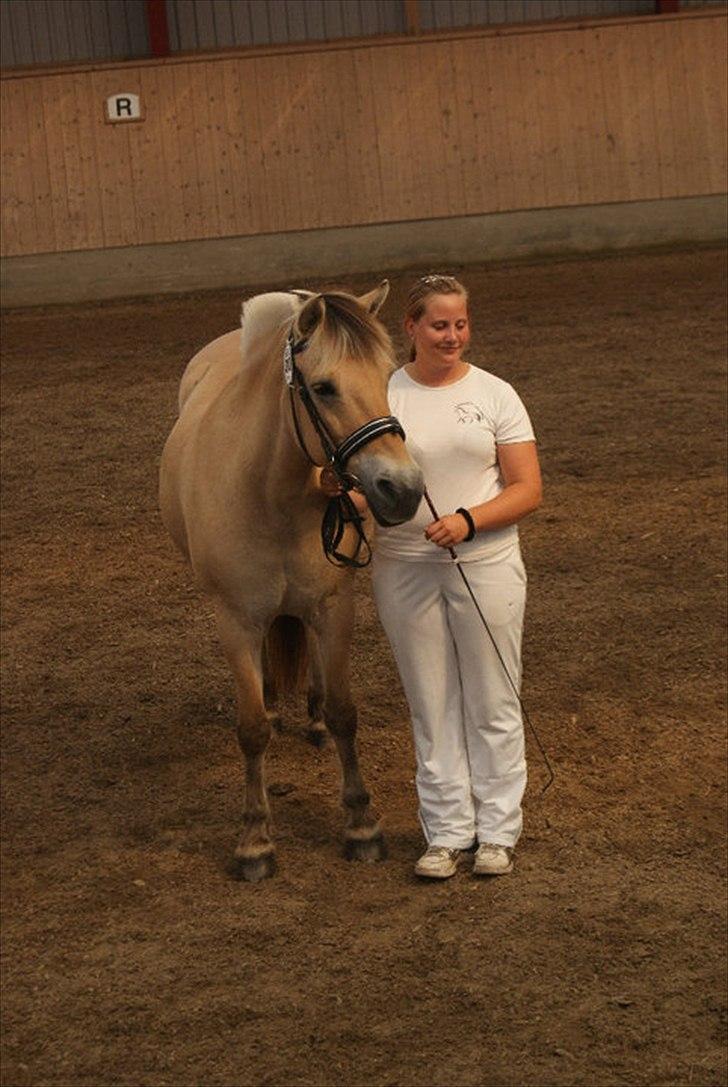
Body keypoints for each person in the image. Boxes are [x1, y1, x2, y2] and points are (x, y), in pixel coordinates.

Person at [322, 274, 542, 879]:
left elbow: (527, 488)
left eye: (461, 324)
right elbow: (371, 483)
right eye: (439, 325)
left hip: (487, 566)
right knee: (431, 702)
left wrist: (469, 521)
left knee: (493, 699)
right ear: (411, 328)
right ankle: (446, 833)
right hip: (404, 570)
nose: (452, 336)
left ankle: (497, 831)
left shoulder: (496, 394)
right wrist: (345, 496)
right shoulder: (383, 394)